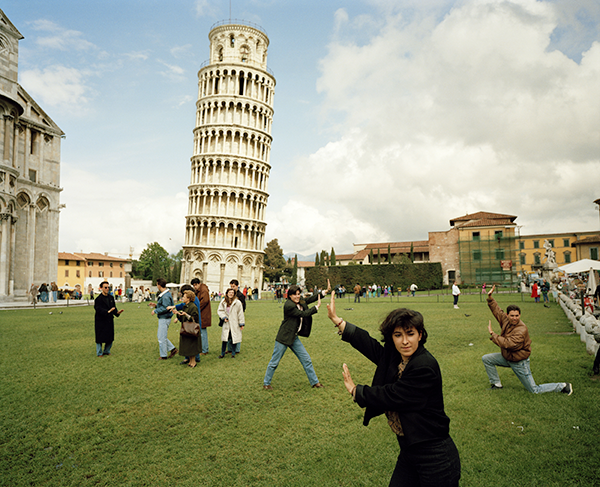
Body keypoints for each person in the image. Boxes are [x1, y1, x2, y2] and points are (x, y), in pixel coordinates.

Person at [326, 291, 461, 486]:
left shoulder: (424, 365)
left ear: (420, 335)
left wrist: (357, 391)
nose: (405, 341)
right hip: (409, 452)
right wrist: (338, 321)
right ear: (392, 337)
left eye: (410, 334)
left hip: (435, 457)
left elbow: (393, 395)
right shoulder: (397, 357)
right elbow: (370, 345)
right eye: (398, 335)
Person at [482, 285, 573, 394]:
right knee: (487, 359)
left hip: (519, 362)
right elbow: (497, 311)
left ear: (520, 315)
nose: (514, 318)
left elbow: (508, 344)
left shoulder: (521, 329)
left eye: (516, 316)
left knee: (534, 390)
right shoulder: (506, 320)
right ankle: (497, 384)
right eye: (512, 316)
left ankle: (563, 386)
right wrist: (490, 297)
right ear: (508, 315)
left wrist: (493, 334)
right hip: (508, 357)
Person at [263, 281, 330, 389]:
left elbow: (309, 299)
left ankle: (315, 383)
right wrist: (316, 308)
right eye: (295, 294)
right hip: (284, 338)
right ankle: (266, 383)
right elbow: (302, 314)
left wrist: (323, 293)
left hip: (294, 337)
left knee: (306, 359)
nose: (297, 296)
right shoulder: (289, 305)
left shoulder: (299, 301)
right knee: (274, 362)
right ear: (290, 295)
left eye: (299, 294)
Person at [149, 278, 178, 361]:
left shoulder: (165, 296)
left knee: (161, 337)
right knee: (161, 336)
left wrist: (155, 310)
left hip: (164, 318)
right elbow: (164, 306)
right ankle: (173, 349)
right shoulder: (166, 294)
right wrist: (156, 305)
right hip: (165, 317)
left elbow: (166, 308)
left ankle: (163, 355)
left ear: (159, 285)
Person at [172, 290, 201, 368]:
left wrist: (186, 315)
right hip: (186, 328)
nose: (182, 298)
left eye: (184, 297)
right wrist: (178, 314)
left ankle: (193, 362)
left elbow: (194, 318)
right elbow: (183, 317)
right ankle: (190, 361)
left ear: (188, 298)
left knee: (192, 345)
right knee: (188, 345)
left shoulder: (193, 306)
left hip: (192, 329)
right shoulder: (185, 306)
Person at [94, 281, 123, 357]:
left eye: (108, 287)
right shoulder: (98, 299)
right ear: (101, 288)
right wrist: (107, 311)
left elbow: (114, 308)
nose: (107, 289)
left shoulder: (111, 298)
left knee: (110, 337)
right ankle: (99, 352)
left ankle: (107, 350)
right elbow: (98, 309)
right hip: (100, 320)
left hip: (109, 320)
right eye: (105, 287)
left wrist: (117, 313)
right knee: (99, 338)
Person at [217, 288, 245, 358]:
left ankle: (233, 353)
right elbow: (220, 311)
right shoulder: (223, 302)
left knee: (233, 338)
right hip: (227, 323)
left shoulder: (237, 302)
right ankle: (222, 353)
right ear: (227, 293)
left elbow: (240, 313)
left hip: (234, 323)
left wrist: (241, 323)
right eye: (230, 292)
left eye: (232, 293)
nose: (231, 294)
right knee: (225, 339)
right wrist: (224, 317)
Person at [191, 278, 211, 355]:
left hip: (203, 314)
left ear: (199, 283)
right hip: (202, 313)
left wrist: (197, 308)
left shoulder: (204, 290)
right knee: (202, 331)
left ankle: (204, 349)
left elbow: (205, 300)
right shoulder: (200, 290)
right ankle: (203, 348)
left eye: (195, 285)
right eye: (193, 285)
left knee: (203, 332)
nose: (195, 287)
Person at [228, 279, 246, 354]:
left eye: (234, 286)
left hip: (237, 317)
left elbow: (243, 306)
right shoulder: (230, 294)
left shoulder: (240, 295)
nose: (232, 288)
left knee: (237, 333)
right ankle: (229, 349)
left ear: (237, 286)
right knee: (229, 332)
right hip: (230, 317)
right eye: (231, 286)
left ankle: (236, 349)